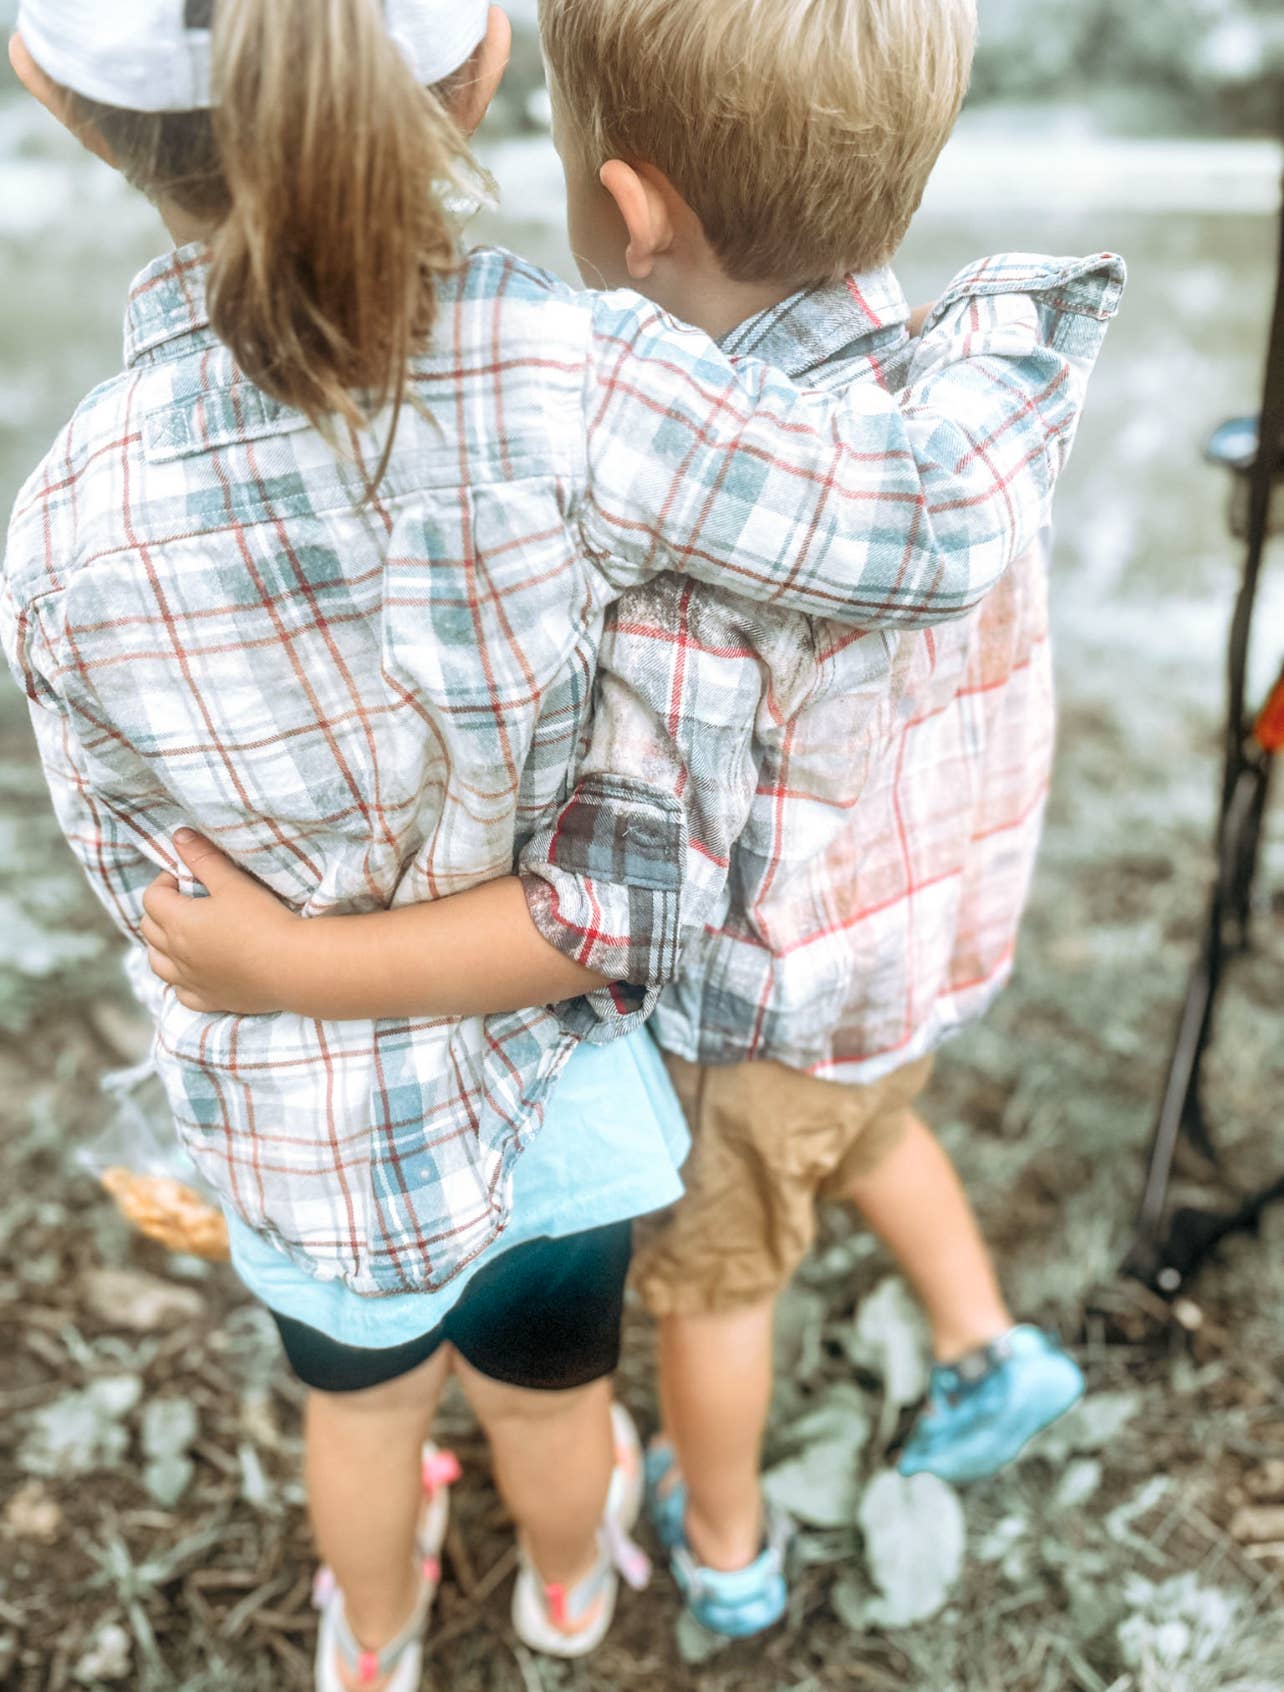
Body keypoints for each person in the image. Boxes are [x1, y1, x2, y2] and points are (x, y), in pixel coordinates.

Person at [124, 0, 1124, 1657]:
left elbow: (622, 877)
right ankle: (986, 1343)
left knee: (718, 1276)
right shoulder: (948, 395)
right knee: (869, 1133)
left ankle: (722, 1540)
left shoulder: (702, 544)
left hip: (769, 994)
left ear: (629, 211)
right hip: (916, 952)